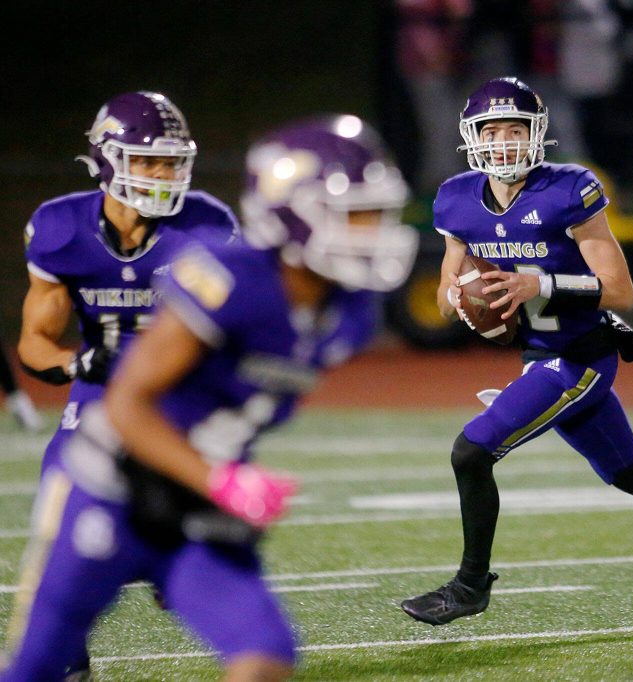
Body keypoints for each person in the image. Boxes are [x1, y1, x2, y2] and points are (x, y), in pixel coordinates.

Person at [0, 115, 419, 681]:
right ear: (292, 216)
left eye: (378, 215)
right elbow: (125, 406)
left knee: (265, 652)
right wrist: (221, 480)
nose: (373, 232)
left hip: (195, 501)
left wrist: (217, 479)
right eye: (356, 215)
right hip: (111, 488)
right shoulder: (233, 280)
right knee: (41, 668)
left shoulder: (351, 313)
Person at [400, 76, 633, 629]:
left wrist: (539, 284)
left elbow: (620, 290)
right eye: (491, 131)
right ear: (472, 137)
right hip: (538, 355)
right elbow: (444, 297)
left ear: (536, 134)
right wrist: (461, 297)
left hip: (579, 357)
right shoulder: (457, 199)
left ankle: (470, 586)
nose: (503, 143)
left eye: (514, 130)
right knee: (630, 471)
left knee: (471, 451)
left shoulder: (568, 189)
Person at [12, 90, 239, 679]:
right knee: (58, 518)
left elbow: (237, 327)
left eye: (172, 161)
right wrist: (78, 365)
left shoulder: (207, 225)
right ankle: (67, 662)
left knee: (192, 546)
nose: (163, 174)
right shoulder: (62, 227)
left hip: (183, 397)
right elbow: (34, 342)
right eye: (148, 160)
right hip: (101, 391)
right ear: (107, 160)